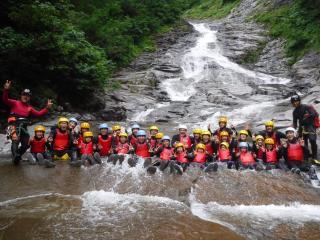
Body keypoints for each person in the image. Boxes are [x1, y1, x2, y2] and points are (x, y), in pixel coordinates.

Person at [3, 80, 53, 164]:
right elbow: (5, 99)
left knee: (26, 144)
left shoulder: (29, 108)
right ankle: (15, 155)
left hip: (23, 127)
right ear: (21, 95)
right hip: (13, 125)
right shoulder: (15, 103)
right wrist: (6, 89)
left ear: (29, 98)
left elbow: (39, 113)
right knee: (15, 139)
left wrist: (47, 108)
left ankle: (17, 156)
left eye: (28, 96)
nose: (25, 97)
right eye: (24, 95)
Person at [291, 95, 319, 163]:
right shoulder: (294, 112)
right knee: (304, 142)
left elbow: (316, 114)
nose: (295, 103)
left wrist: (308, 115)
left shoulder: (307, 107)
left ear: (299, 101)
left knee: (312, 140)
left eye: (296, 101)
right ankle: (306, 156)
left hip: (310, 125)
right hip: (302, 127)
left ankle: (314, 156)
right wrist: (293, 130)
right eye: (293, 102)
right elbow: (295, 122)